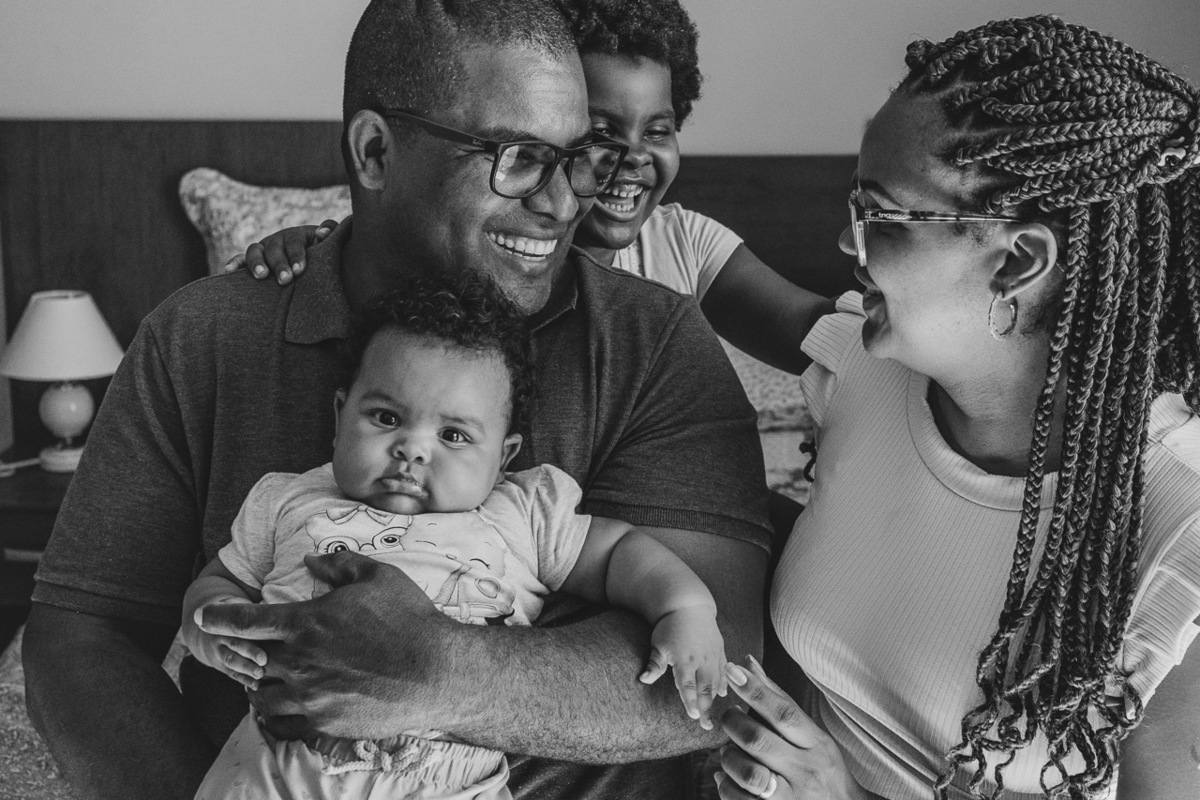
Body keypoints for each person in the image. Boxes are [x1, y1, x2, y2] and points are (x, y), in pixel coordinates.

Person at [22, 2, 773, 799]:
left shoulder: (654, 343)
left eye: (574, 158)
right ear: (376, 151)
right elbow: (81, 639)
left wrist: (443, 672)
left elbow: (715, 664)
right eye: (518, 158)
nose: (561, 204)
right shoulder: (200, 338)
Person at [713, 15, 1200, 800]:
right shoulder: (866, 370)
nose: (848, 242)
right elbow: (711, 269)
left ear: (1018, 260)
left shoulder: (1180, 540)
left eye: (880, 215)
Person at [184, 273, 728, 799]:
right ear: (339, 414)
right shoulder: (288, 499)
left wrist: (684, 609)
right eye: (385, 417)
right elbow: (220, 579)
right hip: (276, 762)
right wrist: (207, 625)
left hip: (447, 775)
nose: (413, 449)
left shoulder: (519, 512)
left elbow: (616, 554)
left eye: (453, 434)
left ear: (503, 457)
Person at [232, 0, 835, 377]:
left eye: (660, 129)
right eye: (594, 136)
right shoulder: (484, 251)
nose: (626, 159)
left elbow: (821, 337)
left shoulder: (682, 248)